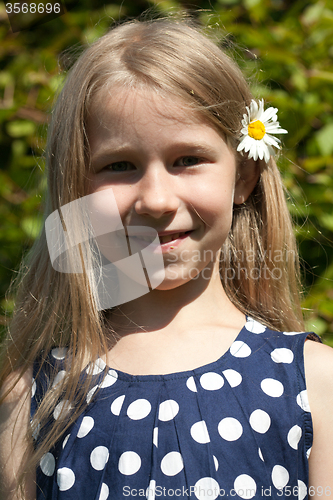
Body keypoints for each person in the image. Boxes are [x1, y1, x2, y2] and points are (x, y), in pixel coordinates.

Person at [1, 15, 333, 500]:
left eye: (187, 159)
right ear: (76, 189)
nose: (156, 199)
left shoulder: (316, 384)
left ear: (243, 176)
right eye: (119, 166)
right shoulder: (30, 399)